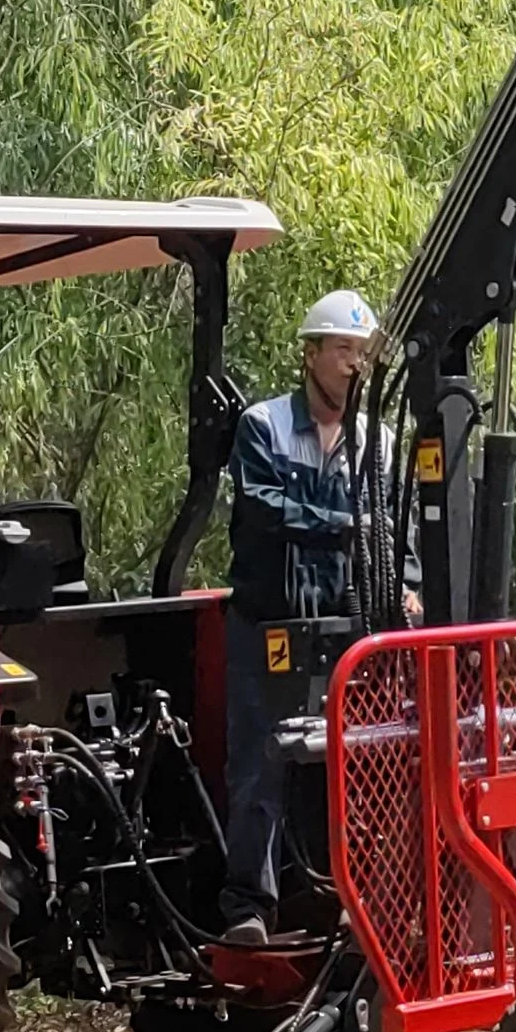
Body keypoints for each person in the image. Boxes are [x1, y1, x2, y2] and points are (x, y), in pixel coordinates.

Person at [217, 289, 411, 943]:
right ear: (311, 354)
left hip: (348, 627)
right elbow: (263, 511)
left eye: (361, 352)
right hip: (270, 626)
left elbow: (396, 531)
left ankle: (349, 904)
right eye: (342, 351)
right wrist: (342, 526)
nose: (354, 365)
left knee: (357, 768)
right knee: (260, 765)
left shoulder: (376, 441)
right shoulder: (263, 427)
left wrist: (405, 587)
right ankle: (248, 907)